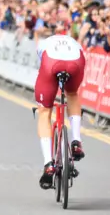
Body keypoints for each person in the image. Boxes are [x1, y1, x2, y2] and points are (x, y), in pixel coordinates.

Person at [34, 33, 86, 190]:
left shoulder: (43, 44)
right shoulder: (75, 43)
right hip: (76, 61)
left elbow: (42, 68)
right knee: (72, 94)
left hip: (52, 62)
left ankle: (48, 164)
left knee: (44, 111)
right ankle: (76, 141)